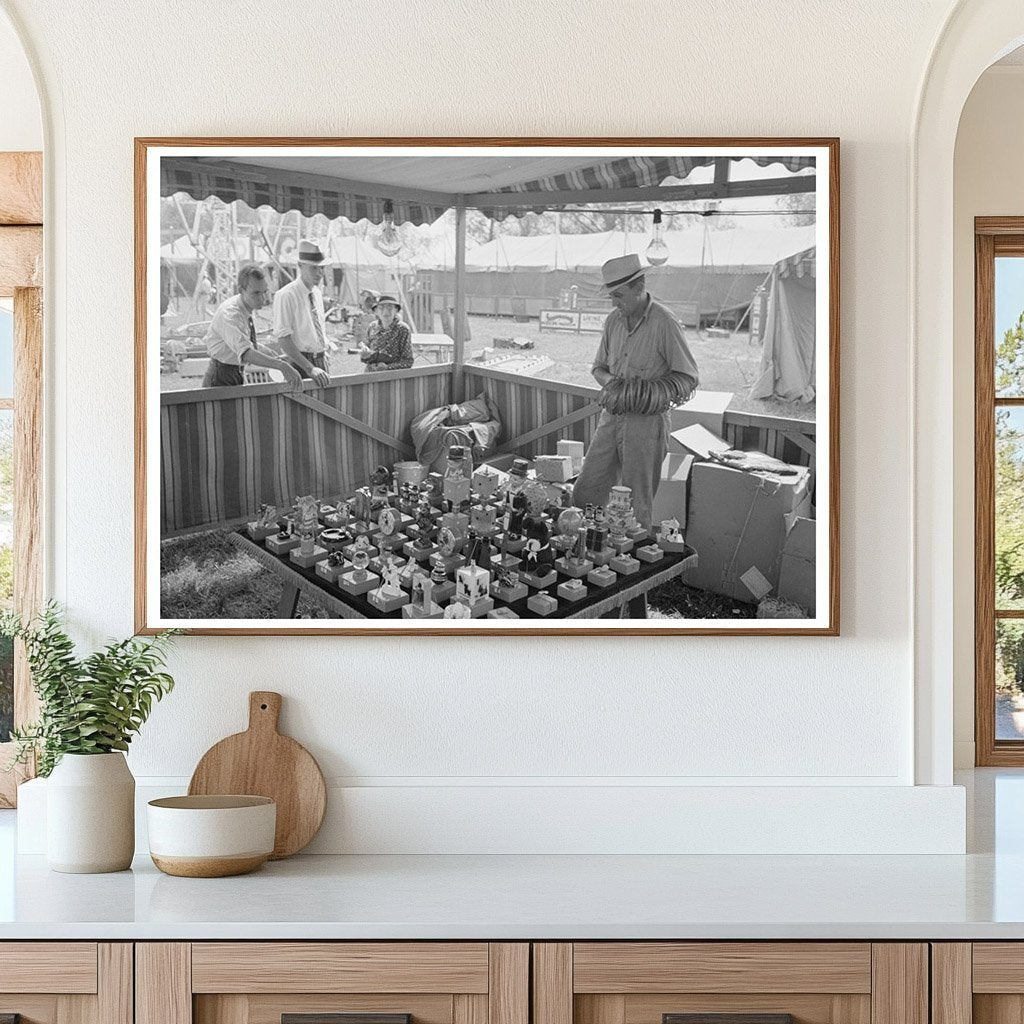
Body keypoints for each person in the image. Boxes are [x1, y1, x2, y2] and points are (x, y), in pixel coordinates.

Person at [572, 253, 699, 531]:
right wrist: (615, 385)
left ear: (639, 288)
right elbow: (598, 368)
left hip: (647, 426)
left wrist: (645, 393)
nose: (614, 303)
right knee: (586, 492)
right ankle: (585, 544)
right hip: (611, 417)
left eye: (619, 296)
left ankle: (628, 554)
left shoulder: (664, 323)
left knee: (634, 506)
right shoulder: (613, 321)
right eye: (612, 297)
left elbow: (688, 377)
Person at [201, 264, 303, 390]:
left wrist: (265, 351)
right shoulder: (230, 314)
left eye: (265, 292)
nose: (262, 298)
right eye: (256, 293)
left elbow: (242, 343)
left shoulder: (244, 308)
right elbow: (245, 353)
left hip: (234, 371)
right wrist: (281, 365)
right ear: (241, 290)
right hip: (220, 376)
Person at [272, 239, 332, 387]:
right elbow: (283, 339)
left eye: (322, 268)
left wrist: (324, 349)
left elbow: (316, 328)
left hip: (320, 360)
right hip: (299, 363)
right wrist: (310, 368)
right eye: (314, 268)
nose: (319, 273)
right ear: (300, 266)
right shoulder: (286, 295)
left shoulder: (316, 293)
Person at [359, 293, 413, 372]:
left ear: (396, 310)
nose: (385, 311)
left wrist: (388, 367)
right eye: (381, 308)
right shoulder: (372, 327)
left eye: (390, 308)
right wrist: (364, 356)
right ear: (376, 311)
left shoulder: (403, 329)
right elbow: (366, 357)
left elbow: (408, 362)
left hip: (393, 376)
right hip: (371, 374)